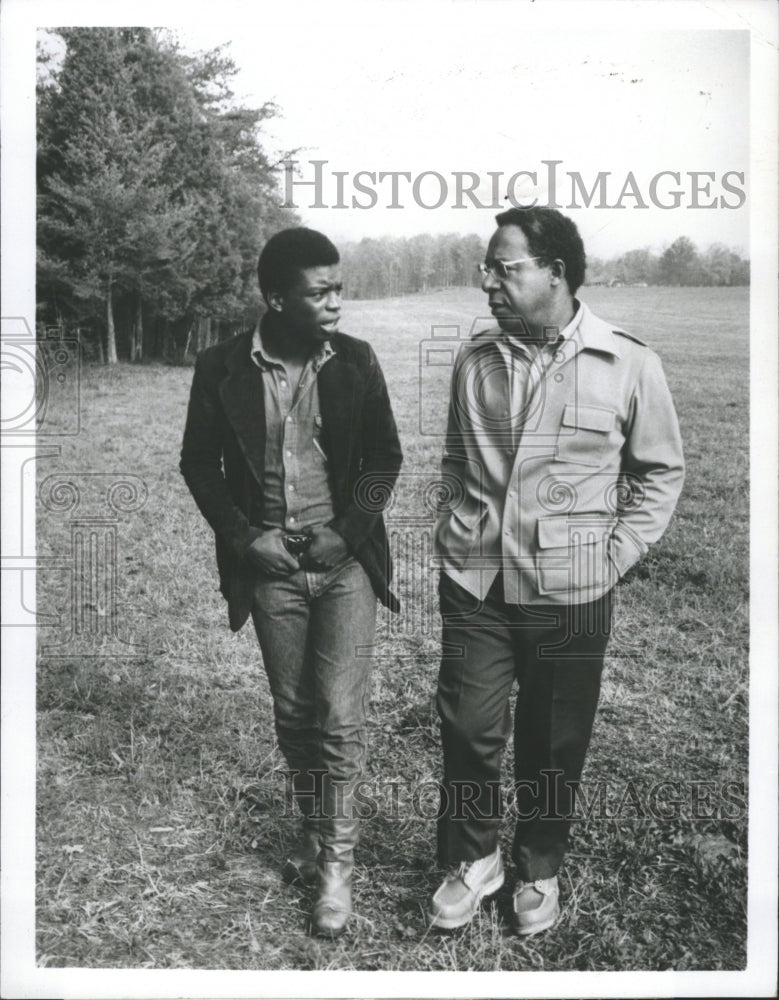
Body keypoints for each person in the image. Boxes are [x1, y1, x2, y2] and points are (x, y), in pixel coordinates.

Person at [429, 207, 684, 935]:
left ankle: (538, 867)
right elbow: (456, 457)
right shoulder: (475, 357)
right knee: (466, 727)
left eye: (503, 268)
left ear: (555, 274)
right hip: (477, 580)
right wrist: (455, 528)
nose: (488, 283)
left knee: (551, 739)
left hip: (571, 591)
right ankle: (473, 860)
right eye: (488, 268)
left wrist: (616, 553)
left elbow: (659, 472)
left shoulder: (628, 362)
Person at [180, 227, 402, 937]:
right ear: (276, 299)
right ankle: (313, 830)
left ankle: (336, 867)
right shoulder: (220, 366)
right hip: (270, 570)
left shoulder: (356, 361)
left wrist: (346, 533)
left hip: (343, 568)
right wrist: (250, 541)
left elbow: (382, 459)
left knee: (339, 716)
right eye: (320, 291)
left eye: (338, 287)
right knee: (296, 713)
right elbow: (199, 466)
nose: (336, 301)